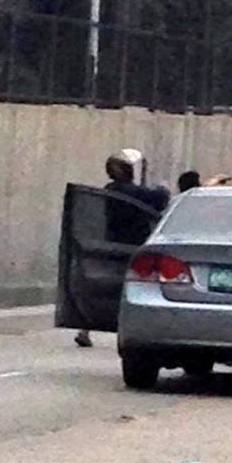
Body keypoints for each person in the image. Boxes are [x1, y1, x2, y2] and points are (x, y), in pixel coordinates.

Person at [75, 149, 170, 349]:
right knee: (132, 288)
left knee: (110, 287)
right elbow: (159, 199)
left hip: (115, 242)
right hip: (133, 246)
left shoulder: (111, 190)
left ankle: (86, 327)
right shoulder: (127, 192)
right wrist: (162, 188)